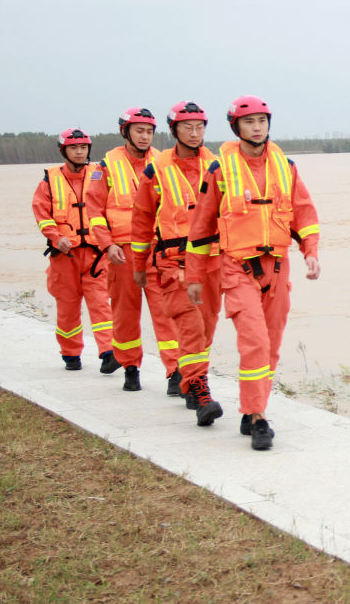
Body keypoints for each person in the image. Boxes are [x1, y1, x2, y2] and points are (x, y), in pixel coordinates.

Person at [186, 95, 320, 450]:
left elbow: (304, 214)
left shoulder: (285, 166)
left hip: (277, 267)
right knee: (255, 341)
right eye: (249, 122)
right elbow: (200, 229)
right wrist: (195, 277)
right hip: (237, 268)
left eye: (262, 121)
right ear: (236, 127)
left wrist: (311, 253)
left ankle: (250, 408)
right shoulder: (220, 170)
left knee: (271, 345)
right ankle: (259, 419)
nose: (257, 127)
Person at [131, 101, 223, 426]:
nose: (195, 133)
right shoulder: (156, 169)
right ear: (174, 130)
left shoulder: (218, 165)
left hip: (211, 262)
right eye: (188, 127)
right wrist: (139, 265)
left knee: (207, 327)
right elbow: (142, 220)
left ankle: (188, 377)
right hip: (173, 264)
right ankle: (200, 392)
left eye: (200, 127)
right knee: (191, 326)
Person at [86, 108, 181, 393]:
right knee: (125, 312)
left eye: (149, 131)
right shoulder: (105, 167)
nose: (144, 136)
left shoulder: (164, 163)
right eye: (139, 130)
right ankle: (130, 368)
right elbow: (94, 211)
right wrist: (107, 244)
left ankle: (175, 372)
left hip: (157, 250)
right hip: (122, 252)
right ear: (125, 132)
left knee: (167, 312)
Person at [31, 128, 116, 372]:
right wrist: (57, 238)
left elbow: (110, 207)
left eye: (83, 148)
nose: (79, 152)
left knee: (101, 303)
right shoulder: (49, 180)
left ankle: (108, 352)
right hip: (64, 256)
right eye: (74, 148)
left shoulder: (99, 175)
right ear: (64, 151)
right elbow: (42, 214)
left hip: (95, 254)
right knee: (67, 308)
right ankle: (70, 353)